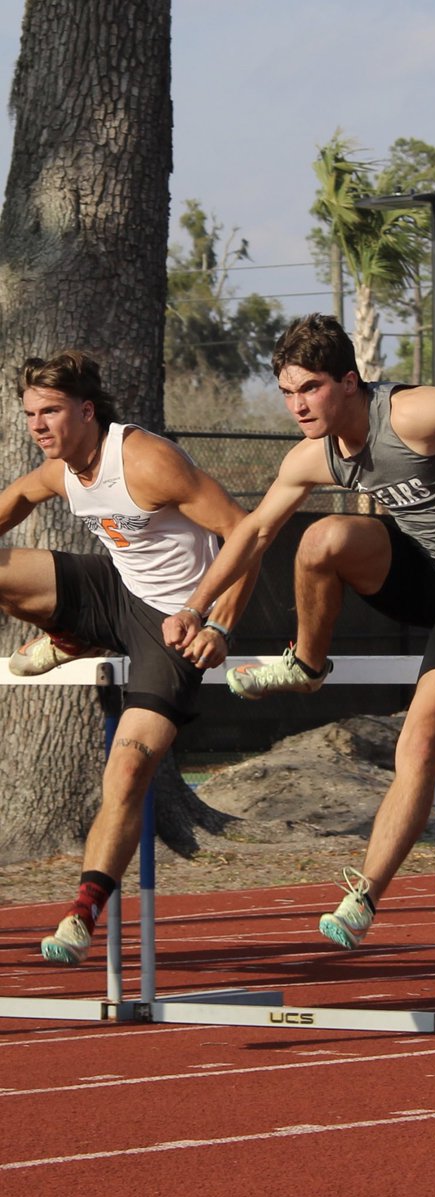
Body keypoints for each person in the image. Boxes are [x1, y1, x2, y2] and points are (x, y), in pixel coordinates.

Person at [163, 312, 435, 950]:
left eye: (311, 389)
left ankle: (364, 894)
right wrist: (196, 607)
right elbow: (254, 532)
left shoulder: (409, 416)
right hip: (413, 572)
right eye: (288, 393)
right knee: (321, 537)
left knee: (422, 737)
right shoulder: (311, 455)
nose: (298, 406)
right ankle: (306, 664)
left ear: (349, 382)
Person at [1, 350, 257, 965]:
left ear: (87, 411)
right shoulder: (62, 468)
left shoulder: (143, 459)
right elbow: (16, 499)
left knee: (130, 767)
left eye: (52, 412)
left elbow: (246, 531)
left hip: (175, 623)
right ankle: (75, 637)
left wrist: (218, 622)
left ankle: (82, 910)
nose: (38, 425)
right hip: (116, 593)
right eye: (31, 413)